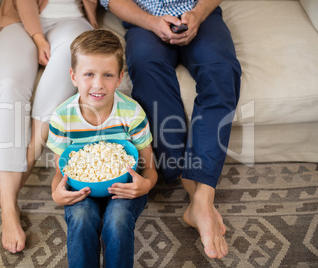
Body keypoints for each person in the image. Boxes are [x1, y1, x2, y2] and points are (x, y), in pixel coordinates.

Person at [99, 0, 241, 260]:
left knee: (222, 73)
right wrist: (153, 22)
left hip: (201, 16)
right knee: (146, 71)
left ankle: (203, 198)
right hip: (145, 21)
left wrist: (198, 14)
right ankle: (195, 198)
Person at [0, 0, 98, 253]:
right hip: (19, 22)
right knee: (8, 83)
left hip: (72, 22)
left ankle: (26, 165)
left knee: (73, 59)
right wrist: (39, 38)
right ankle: (8, 206)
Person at [47, 30, 158, 267]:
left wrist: (145, 185)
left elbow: (150, 169)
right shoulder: (62, 118)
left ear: (119, 78)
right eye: (89, 74)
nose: (98, 85)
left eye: (107, 75)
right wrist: (57, 193)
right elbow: (60, 172)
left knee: (117, 219)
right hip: (82, 188)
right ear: (73, 76)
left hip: (124, 187)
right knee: (81, 215)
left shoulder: (132, 113)